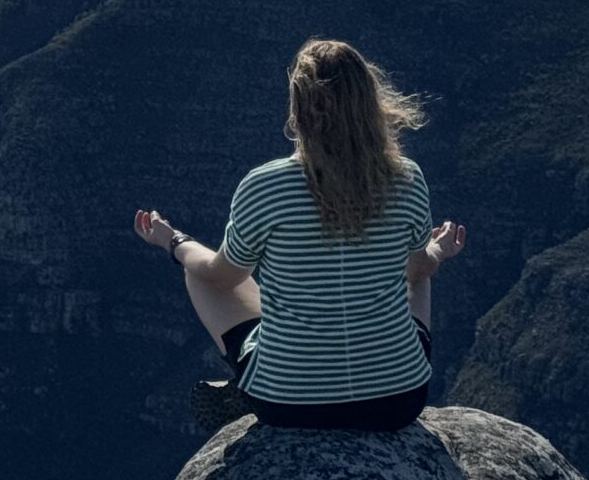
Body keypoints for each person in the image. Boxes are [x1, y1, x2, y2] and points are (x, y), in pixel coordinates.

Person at [134, 38, 468, 434]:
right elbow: (417, 270)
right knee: (420, 273)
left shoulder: (264, 186)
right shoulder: (406, 179)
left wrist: (174, 243)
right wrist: (438, 251)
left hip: (289, 405)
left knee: (198, 272)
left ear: (299, 107)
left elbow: (221, 277)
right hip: (397, 401)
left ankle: (258, 378)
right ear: (369, 102)